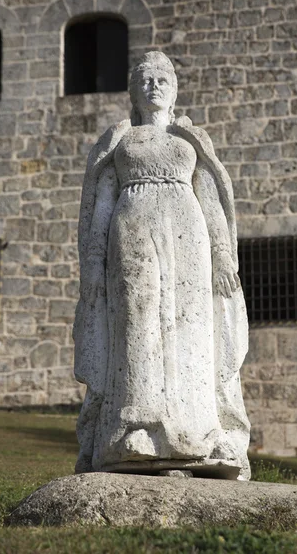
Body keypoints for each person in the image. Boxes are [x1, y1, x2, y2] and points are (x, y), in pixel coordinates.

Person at [73, 51, 251, 479]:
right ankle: (135, 431)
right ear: (133, 91)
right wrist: (94, 263)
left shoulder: (189, 138)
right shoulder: (121, 140)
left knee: (190, 324)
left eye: (162, 79)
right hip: (132, 231)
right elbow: (100, 205)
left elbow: (211, 198)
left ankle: (197, 433)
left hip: (188, 236)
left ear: (174, 89)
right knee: (137, 322)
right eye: (145, 80)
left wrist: (224, 252)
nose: (154, 86)